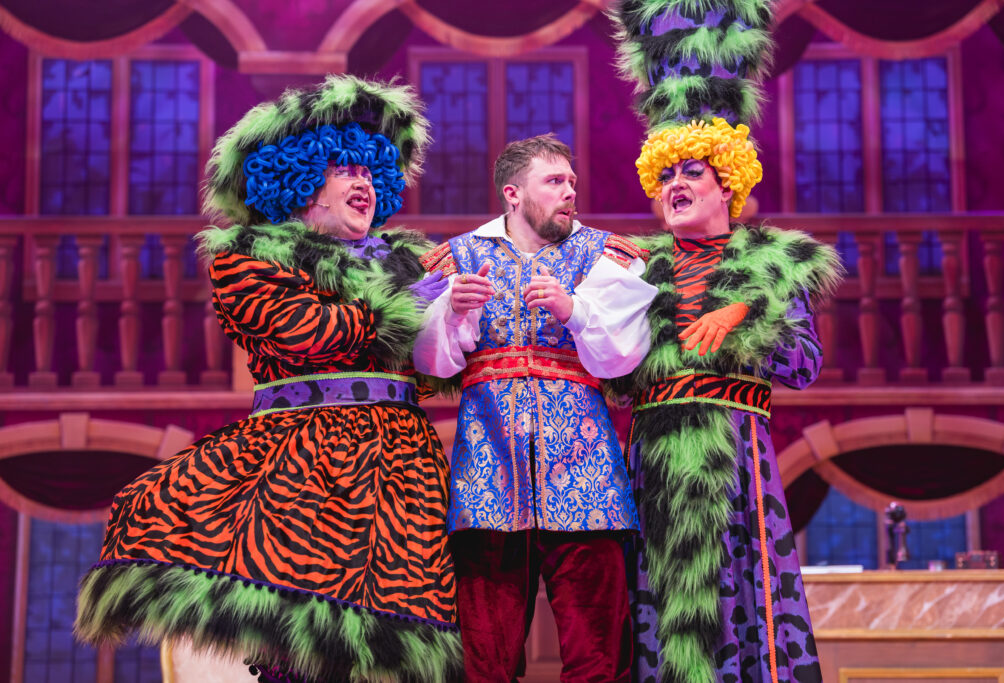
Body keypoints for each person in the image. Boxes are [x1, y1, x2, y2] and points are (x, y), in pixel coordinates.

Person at [75, 75, 461, 683]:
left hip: (402, 463)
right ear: (303, 181)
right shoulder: (248, 257)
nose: (363, 182)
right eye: (344, 169)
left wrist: (454, 313)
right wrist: (399, 305)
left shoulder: (403, 261)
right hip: (305, 458)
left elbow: (435, 365)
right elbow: (306, 330)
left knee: (389, 648)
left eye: (370, 170)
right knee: (298, 642)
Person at [607, 2, 844, 682]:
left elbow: (803, 364)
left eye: (692, 172)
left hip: (736, 460)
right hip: (655, 461)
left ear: (728, 183)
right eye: (666, 175)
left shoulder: (771, 263)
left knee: (738, 610)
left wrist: (744, 313)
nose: (675, 185)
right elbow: (614, 378)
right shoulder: (637, 266)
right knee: (662, 616)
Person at [415, 133, 657, 682]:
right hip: (488, 471)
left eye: (572, 181)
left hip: (586, 472)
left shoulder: (605, 256)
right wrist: (451, 312)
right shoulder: (460, 259)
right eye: (554, 181)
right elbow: (431, 364)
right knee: (485, 654)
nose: (570, 191)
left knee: (597, 651)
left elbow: (623, 356)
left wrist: (573, 311)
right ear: (513, 193)